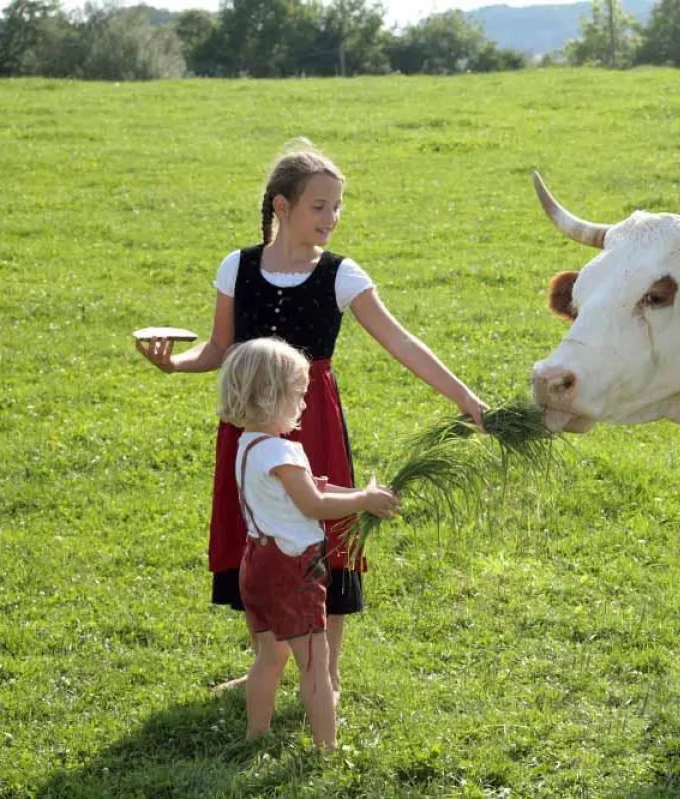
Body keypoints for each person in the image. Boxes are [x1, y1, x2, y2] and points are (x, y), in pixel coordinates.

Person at [135, 138, 487, 702]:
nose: (331, 218)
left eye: (337, 206)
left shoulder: (342, 275)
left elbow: (401, 341)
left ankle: (325, 673)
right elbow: (220, 349)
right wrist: (173, 363)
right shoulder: (238, 266)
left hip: (312, 420)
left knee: (323, 538)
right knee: (259, 537)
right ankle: (266, 665)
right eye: (319, 206)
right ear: (282, 206)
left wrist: (466, 398)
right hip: (246, 427)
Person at [218, 337, 398, 744]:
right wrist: (364, 500)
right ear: (272, 397)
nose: (303, 405)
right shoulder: (284, 452)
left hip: (258, 564)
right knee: (316, 665)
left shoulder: (250, 445)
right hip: (293, 571)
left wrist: (358, 495)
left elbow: (313, 487)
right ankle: (327, 750)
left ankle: (256, 734)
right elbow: (314, 504)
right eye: (298, 396)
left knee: (269, 656)